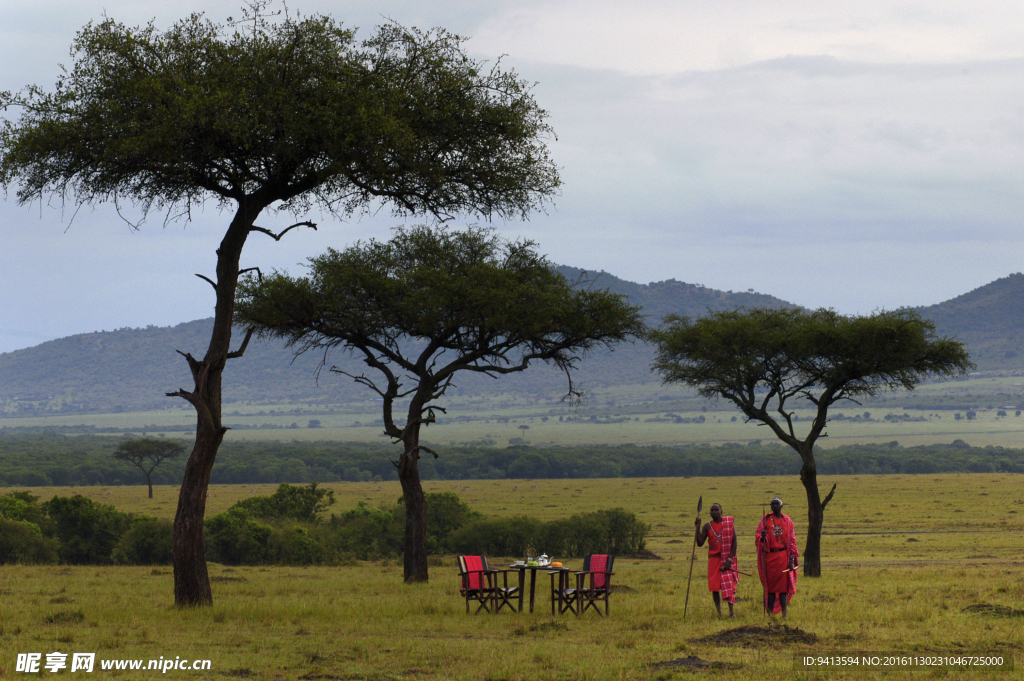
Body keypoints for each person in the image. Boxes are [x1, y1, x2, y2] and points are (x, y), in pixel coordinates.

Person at [755, 496, 798, 617]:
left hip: (783, 556)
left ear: (781, 506)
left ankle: (784, 614)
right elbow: (758, 538)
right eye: (772, 504)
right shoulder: (765, 520)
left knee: (783, 587)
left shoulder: (787, 521)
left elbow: (792, 542)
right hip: (770, 557)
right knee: (771, 588)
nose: (774, 506)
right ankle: (769, 613)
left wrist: (791, 560)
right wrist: (763, 537)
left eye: (777, 504)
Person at [695, 502, 738, 617]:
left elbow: (735, 542)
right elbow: (699, 543)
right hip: (713, 560)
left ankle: (731, 612)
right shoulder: (707, 526)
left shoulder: (728, 524)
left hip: (726, 560)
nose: (714, 512)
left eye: (716, 510)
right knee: (715, 587)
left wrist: (730, 560)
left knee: (728, 586)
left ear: (721, 512)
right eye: (712, 510)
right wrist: (697, 528)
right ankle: (719, 613)